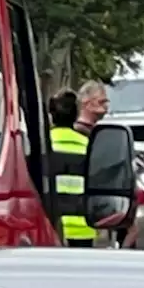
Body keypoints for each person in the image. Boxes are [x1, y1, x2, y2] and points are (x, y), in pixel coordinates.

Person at [48, 90, 96, 248]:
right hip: (84, 228)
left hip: (52, 225)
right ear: (76, 115)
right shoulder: (88, 146)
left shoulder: (43, 145)